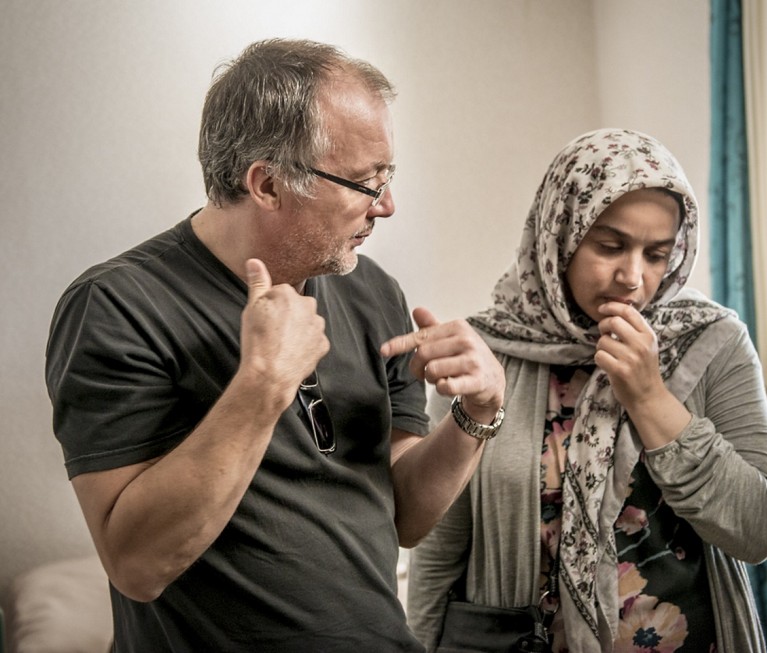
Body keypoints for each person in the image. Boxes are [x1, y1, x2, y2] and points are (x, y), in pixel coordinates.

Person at [44, 38, 505, 652]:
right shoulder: (117, 305)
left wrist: (476, 415)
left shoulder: (374, 291)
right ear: (267, 184)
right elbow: (136, 565)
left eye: (387, 174)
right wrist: (262, 385)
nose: (388, 205)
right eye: (365, 181)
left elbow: (404, 518)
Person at [406, 128, 767, 653]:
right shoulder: (488, 352)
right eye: (610, 246)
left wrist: (650, 396)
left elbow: (759, 528)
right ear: (560, 237)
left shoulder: (710, 344)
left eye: (657, 254)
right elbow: (438, 546)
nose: (633, 277)